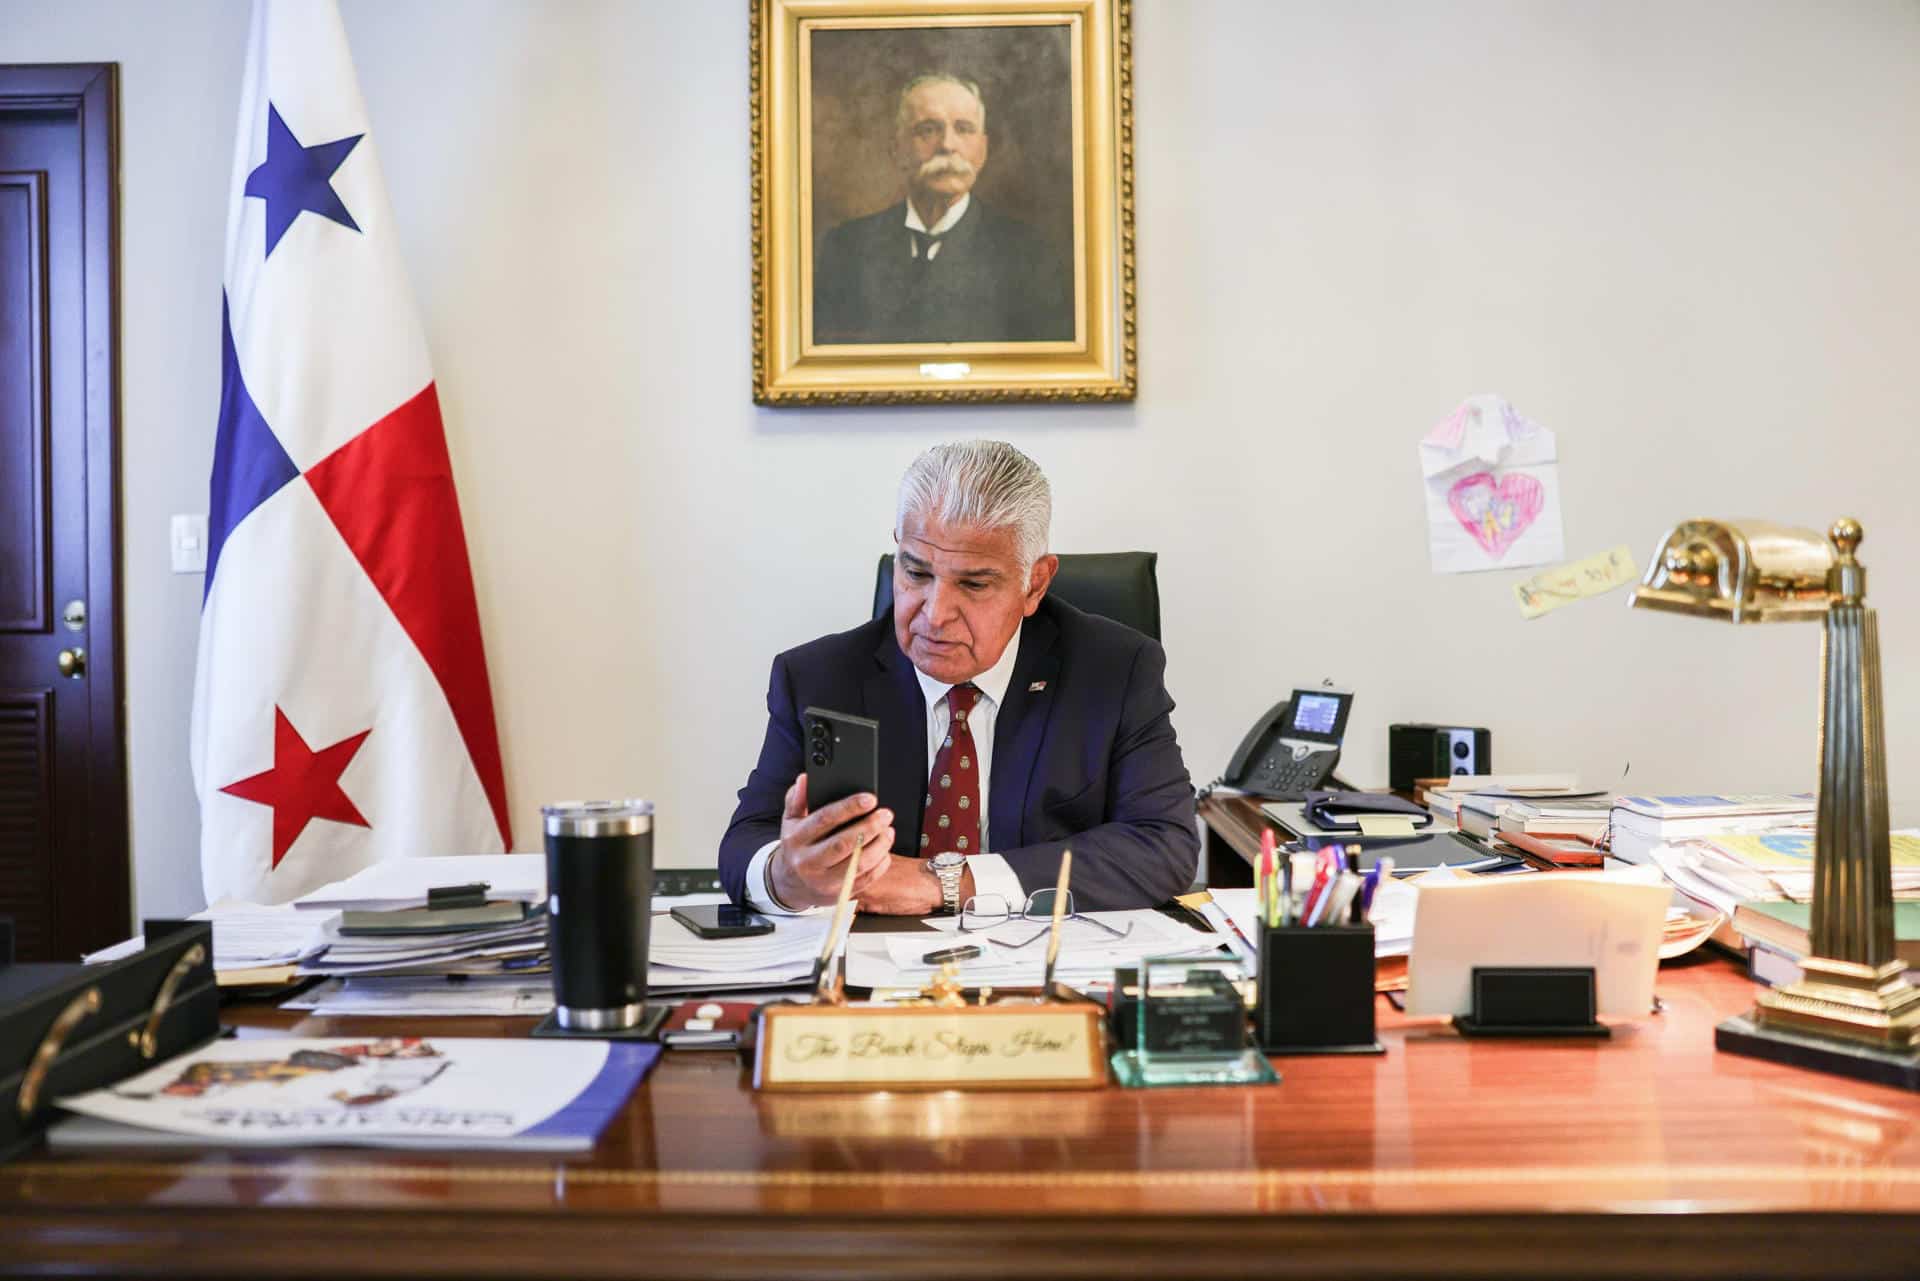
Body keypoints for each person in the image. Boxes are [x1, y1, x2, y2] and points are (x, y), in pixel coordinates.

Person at [718, 441, 1198, 917]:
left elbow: (1163, 843)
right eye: (916, 573)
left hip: (1043, 962)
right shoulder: (820, 676)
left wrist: (945, 883)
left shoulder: (1114, 669)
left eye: (973, 584)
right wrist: (789, 874)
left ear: (1035, 584)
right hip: (875, 969)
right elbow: (746, 843)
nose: (935, 613)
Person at [812, 74, 1074, 345]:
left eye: (963, 129)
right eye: (928, 130)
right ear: (897, 150)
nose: (947, 145)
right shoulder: (846, 248)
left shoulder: (1030, 254)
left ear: (982, 151)